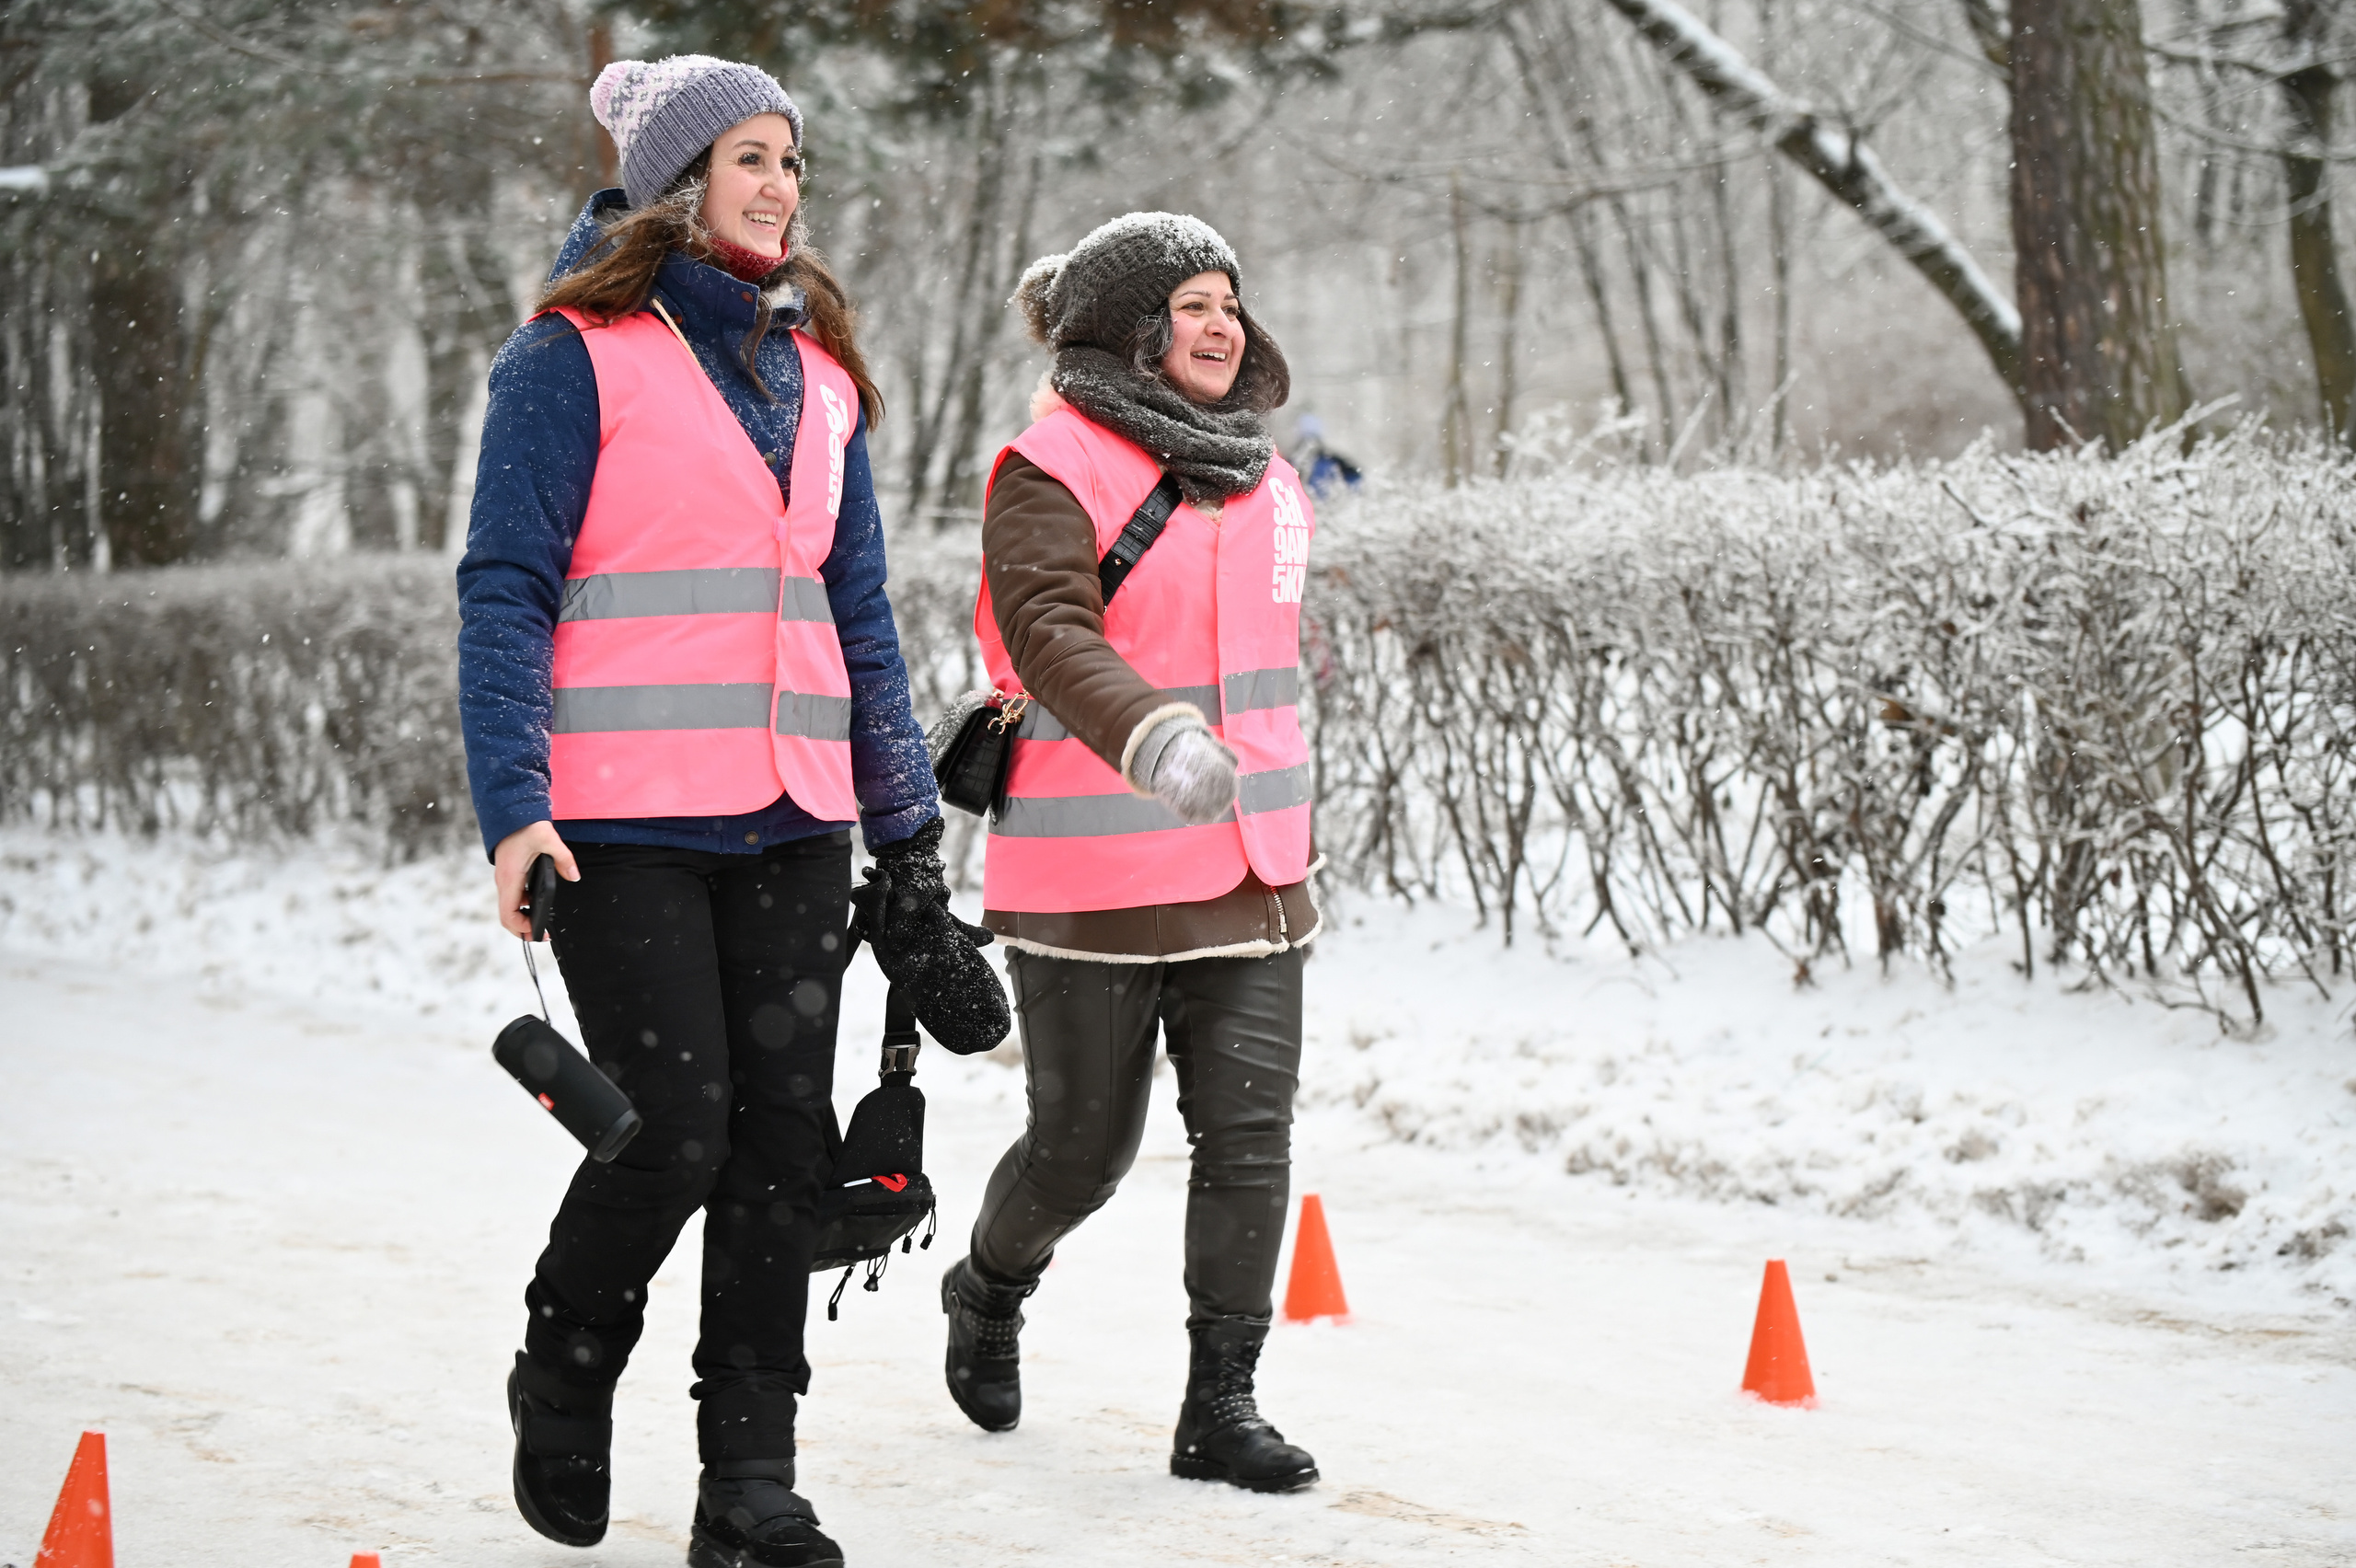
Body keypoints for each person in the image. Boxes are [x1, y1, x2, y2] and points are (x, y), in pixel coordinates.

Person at [456, 54, 1006, 1568]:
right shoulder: (571, 358)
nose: (779, 185)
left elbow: (861, 619)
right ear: (676, 182)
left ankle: (748, 1483)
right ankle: (564, 1371)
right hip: (619, 823)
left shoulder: (815, 375)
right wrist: (515, 806)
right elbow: (504, 589)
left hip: (788, 819)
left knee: (782, 1151)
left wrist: (906, 839)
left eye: (792, 161)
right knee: (674, 1135)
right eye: (749, 157)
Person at [939, 213, 1322, 1493]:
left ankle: (1222, 1403)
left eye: (1229, 300)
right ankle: (989, 1289)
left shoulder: (1271, 479)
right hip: (1097, 870)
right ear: (1129, 330)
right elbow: (1047, 627)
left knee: (1251, 1140)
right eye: (1191, 304)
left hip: (1255, 859)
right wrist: (1151, 733)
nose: (1222, 326)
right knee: (1080, 1152)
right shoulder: (1050, 464)